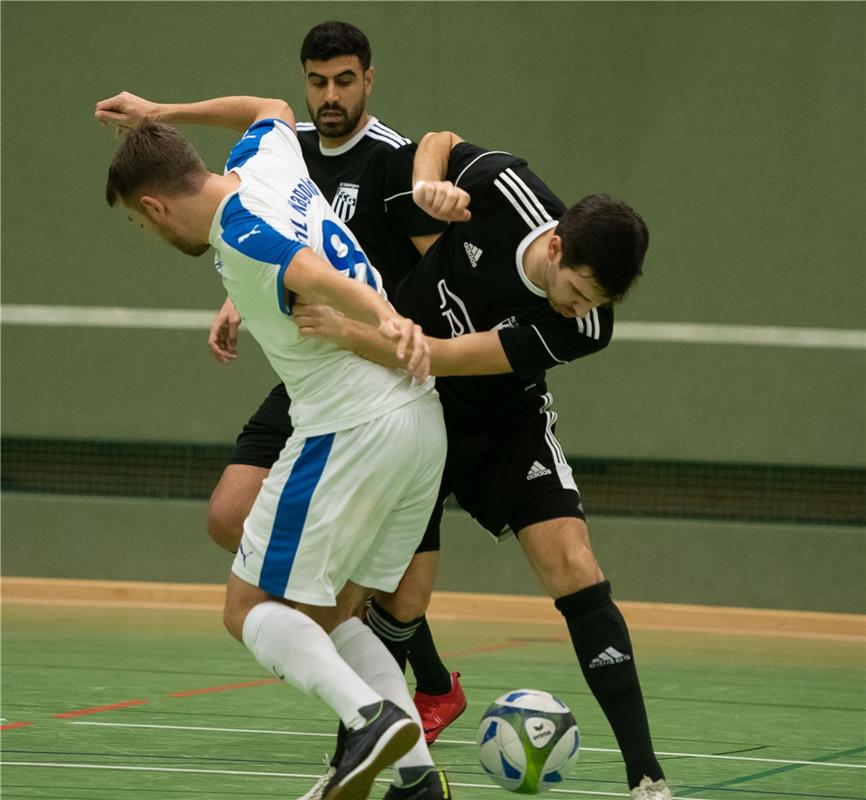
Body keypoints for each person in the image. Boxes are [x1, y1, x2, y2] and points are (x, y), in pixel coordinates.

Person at [294, 130, 673, 800]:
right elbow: (437, 140)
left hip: (501, 422)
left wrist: (349, 333)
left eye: (599, 302)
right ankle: (349, 759)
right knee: (394, 600)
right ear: (556, 246)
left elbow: (443, 355)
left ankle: (647, 777)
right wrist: (430, 183)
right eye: (579, 289)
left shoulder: (585, 327)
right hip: (411, 411)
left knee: (574, 565)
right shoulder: (505, 189)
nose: (582, 309)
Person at [96, 94, 451, 800]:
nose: (149, 232)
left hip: (354, 424)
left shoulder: (239, 233)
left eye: (140, 223)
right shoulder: (261, 158)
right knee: (336, 613)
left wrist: (391, 318)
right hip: (419, 424)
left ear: (156, 207)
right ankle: (416, 783)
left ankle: (369, 717)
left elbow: (307, 270)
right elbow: (272, 105)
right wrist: (159, 109)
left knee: (247, 608)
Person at [204, 21, 467, 750]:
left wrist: (387, 332)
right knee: (231, 516)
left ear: (369, 80)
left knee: (387, 597)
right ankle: (384, 716)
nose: (329, 96)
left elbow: (439, 273)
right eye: (317, 82)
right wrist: (241, 298)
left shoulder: (390, 164)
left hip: (386, 374)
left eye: (344, 81)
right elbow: (276, 246)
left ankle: (402, 706)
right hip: (313, 375)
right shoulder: (288, 148)